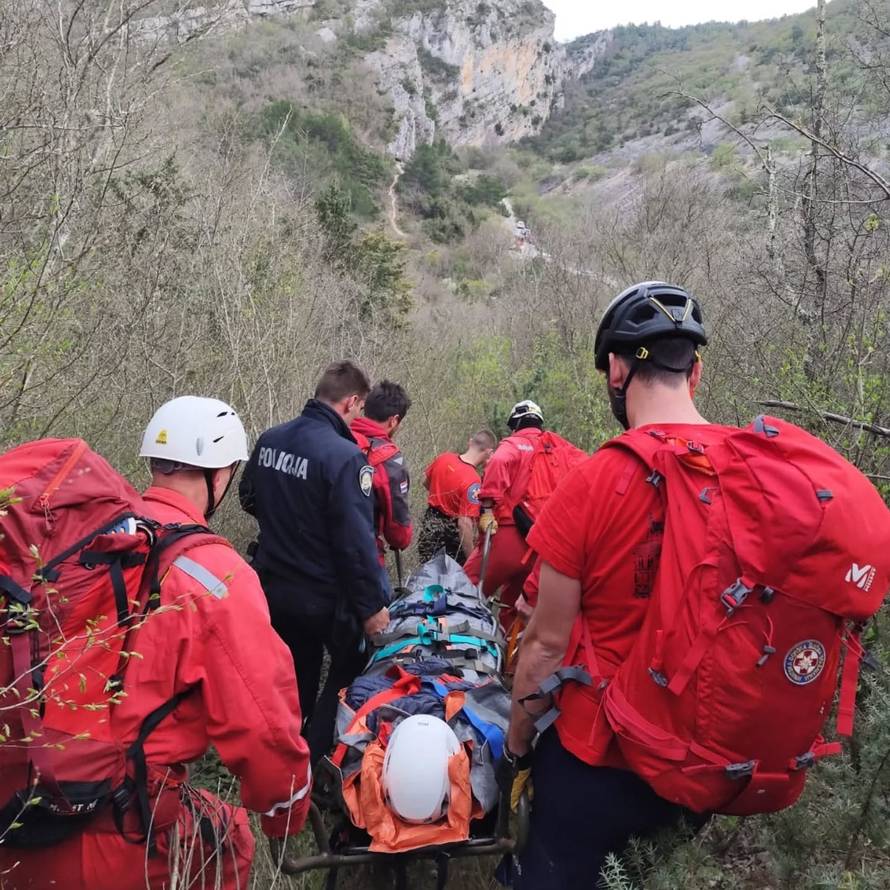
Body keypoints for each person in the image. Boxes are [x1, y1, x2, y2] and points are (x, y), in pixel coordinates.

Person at [1, 397, 313, 890]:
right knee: (230, 840)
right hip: (120, 831)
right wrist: (286, 813)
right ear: (222, 475)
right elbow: (264, 729)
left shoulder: (86, 542)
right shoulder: (215, 575)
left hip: (17, 808)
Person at [500, 282, 717, 889]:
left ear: (617, 370)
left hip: (601, 755)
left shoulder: (597, 479)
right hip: (706, 760)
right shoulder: (752, 475)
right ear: (695, 372)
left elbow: (544, 645)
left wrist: (518, 745)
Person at [239, 361, 390, 764]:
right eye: (358, 409)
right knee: (348, 669)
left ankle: (278, 752)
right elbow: (355, 545)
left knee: (293, 674)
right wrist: (372, 608)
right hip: (321, 595)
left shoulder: (271, 440)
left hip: (271, 585)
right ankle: (314, 758)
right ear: (352, 401)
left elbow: (248, 498)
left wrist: (286, 525)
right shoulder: (345, 458)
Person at [351, 380, 413, 584]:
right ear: (394, 420)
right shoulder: (389, 459)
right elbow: (398, 532)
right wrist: (403, 538)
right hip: (361, 559)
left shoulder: (336, 434)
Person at [417, 430, 497, 565]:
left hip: (429, 526)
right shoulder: (474, 482)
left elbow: (425, 482)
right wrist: (471, 559)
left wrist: (442, 499)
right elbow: (464, 524)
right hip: (449, 539)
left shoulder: (444, 458)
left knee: (425, 577)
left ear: (470, 442)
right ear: (489, 452)